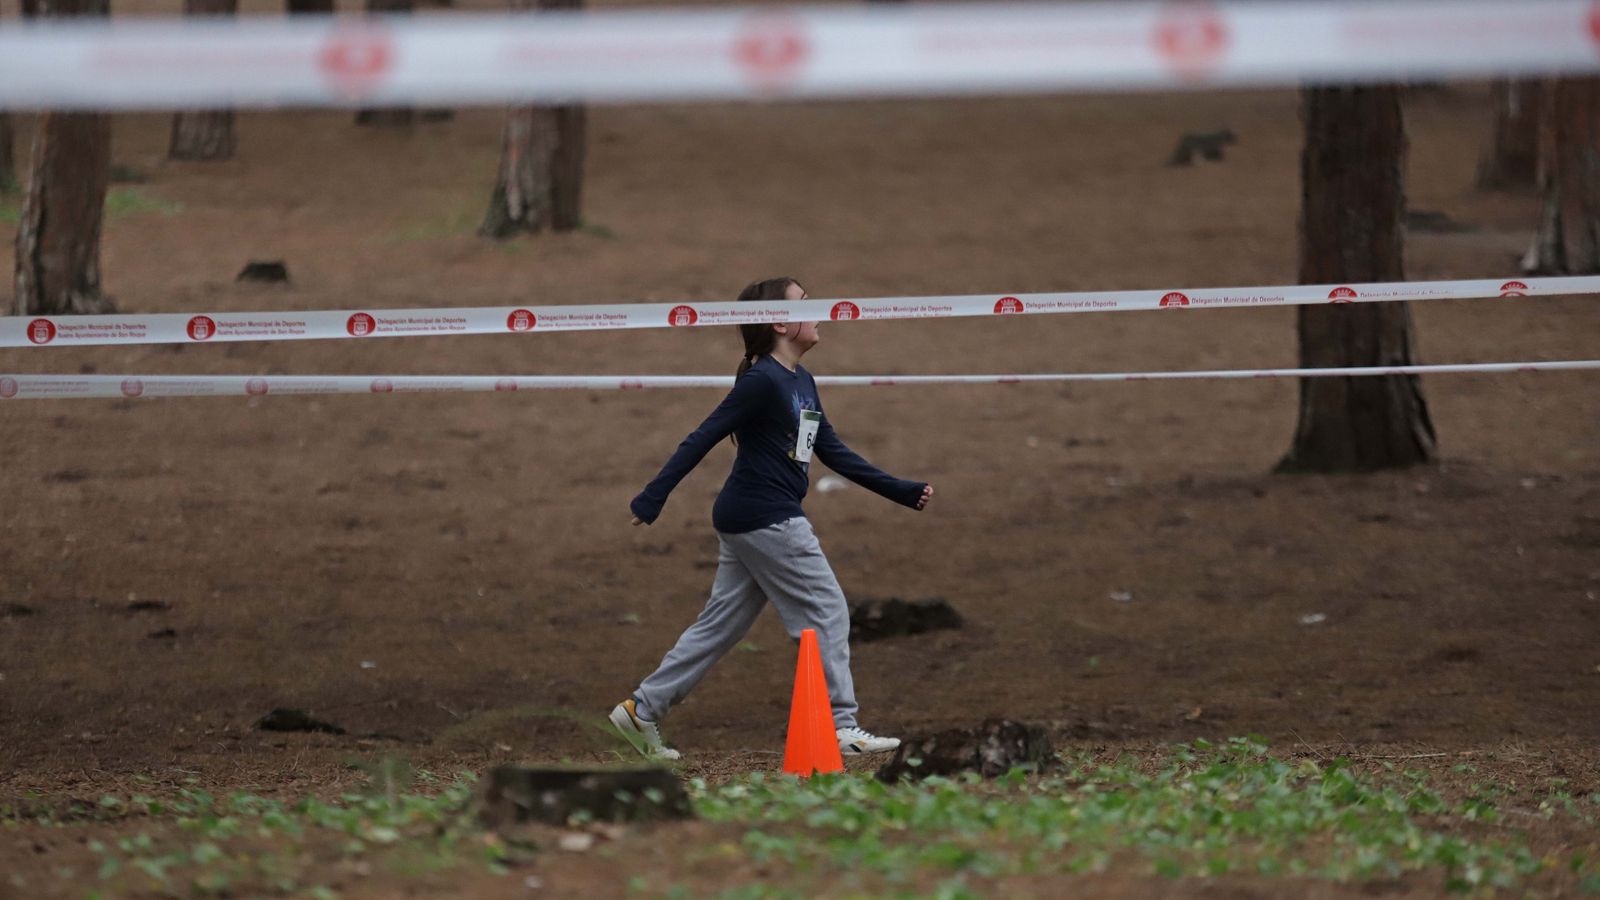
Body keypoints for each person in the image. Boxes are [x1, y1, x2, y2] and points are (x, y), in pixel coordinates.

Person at [610, 277, 934, 760]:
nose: (818, 311)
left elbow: (832, 451)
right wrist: (652, 498)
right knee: (827, 608)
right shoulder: (762, 381)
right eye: (805, 304)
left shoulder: (801, 381)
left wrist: (900, 490)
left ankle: (642, 709)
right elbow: (703, 435)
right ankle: (840, 723)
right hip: (767, 516)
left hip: (748, 517)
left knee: (719, 626)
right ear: (780, 323)